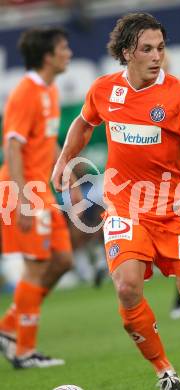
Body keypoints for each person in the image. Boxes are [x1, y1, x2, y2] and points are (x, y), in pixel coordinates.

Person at [52, 13, 180, 390]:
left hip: (175, 210)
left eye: (161, 47)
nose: (157, 56)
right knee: (127, 288)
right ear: (127, 52)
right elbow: (83, 123)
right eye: (147, 49)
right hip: (125, 207)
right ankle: (165, 373)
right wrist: (63, 160)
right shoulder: (104, 90)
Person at [0, 27, 79, 369]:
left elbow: (47, 141)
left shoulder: (50, 89)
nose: (69, 53)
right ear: (48, 56)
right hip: (24, 190)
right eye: (64, 48)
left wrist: (69, 173)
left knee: (63, 261)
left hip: (42, 191)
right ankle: (23, 351)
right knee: (34, 269)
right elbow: (12, 146)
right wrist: (21, 198)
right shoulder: (25, 93)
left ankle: (7, 329)